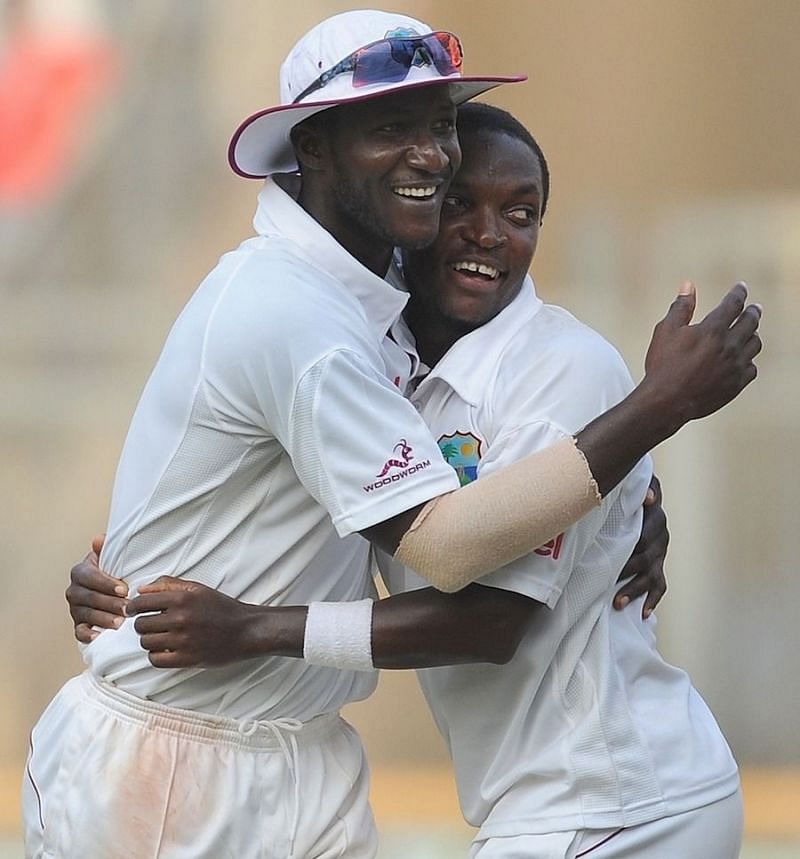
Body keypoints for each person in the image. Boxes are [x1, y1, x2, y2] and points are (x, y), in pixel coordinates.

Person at [29, 9, 760, 859]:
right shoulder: (297, 313)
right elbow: (449, 548)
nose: (431, 155)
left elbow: (485, 497)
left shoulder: (380, 314)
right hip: (174, 756)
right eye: (391, 128)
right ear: (313, 149)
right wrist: (649, 417)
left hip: (314, 752)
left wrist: (624, 500)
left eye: (442, 124)